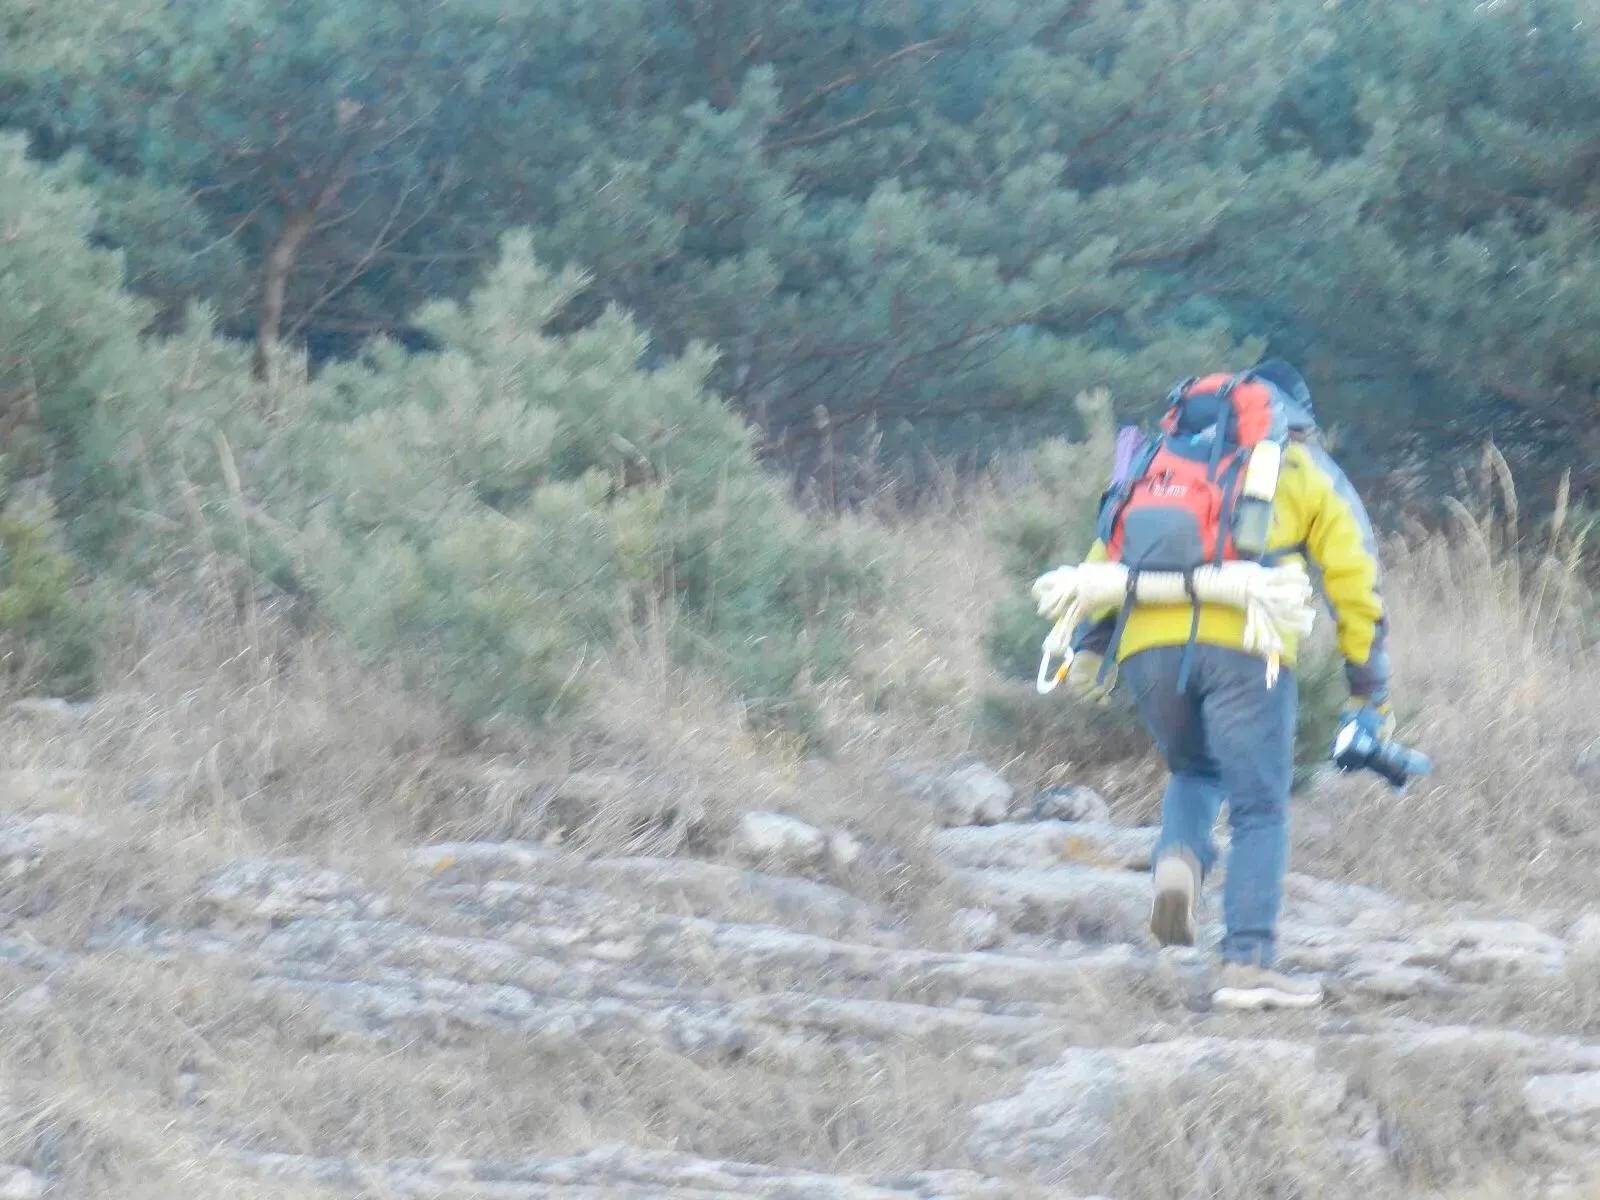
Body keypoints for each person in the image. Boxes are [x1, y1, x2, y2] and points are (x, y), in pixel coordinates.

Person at [1065, 359, 1392, 1010]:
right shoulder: (1300, 467)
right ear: (1294, 416)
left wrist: (1088, 644)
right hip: (1247, 649)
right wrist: (1366, 686)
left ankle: (1176, 886)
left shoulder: (1161, 460)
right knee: (1258, 806)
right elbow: (1355, 579)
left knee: (1192, 771)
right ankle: (1247, 962)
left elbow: (1108, 550)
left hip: (1147, 649)